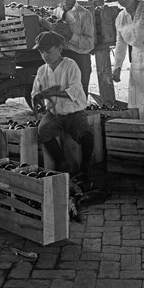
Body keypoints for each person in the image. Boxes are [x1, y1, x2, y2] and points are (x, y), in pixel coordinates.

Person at [32, 31, 95, 188]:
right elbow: (34, 93)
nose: (45, 56)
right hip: (54, 114)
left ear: (59, 48)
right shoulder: (41, 70)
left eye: (48, 51)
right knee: (43, 130)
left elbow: (74, 90)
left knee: (86, 137)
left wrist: (52, 92)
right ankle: (62, 163)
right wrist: (38, 99)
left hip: (74, 113)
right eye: (41, 52)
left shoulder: (70, 65)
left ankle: (85, 168)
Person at [50, 0, 95, 97]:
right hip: (61, 58)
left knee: (78, 97)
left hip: (79, 59)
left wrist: (71, 36)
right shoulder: (56, 13)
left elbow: (90, 44)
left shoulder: (85, 14)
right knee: (61, 96)